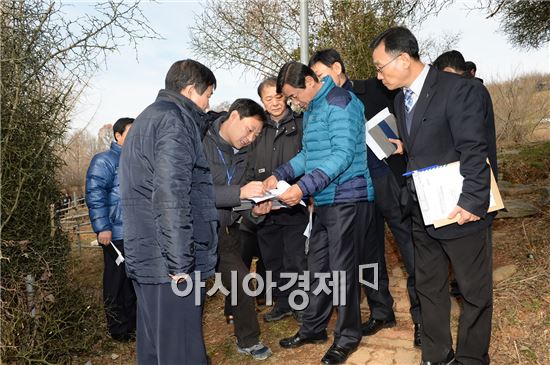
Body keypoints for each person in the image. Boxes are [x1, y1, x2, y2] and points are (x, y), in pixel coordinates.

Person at [370, 27, 493, 365]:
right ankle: (437, 355)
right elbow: (432, 139)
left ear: (404, 58)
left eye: (381, 66)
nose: (378, 75)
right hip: (422, 209)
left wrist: (472, 201)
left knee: (474, 292)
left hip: (459, 208)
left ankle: (471, 358)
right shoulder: (400, 99)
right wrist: (403, 146)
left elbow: (472, 149)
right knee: (428, 286)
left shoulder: (459, 90)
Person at [309, 48, 421, 347]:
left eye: (321, 75)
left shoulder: (372, 88)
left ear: (337, 67)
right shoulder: (323, 106)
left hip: (388, 180)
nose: (320, 82)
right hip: (357, 191)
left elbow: (408, 117)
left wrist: (407, 145)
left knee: (410, 251)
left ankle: (422, 318)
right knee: (368, 258)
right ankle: (381, 310)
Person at [266, 61, 375, 365]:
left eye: (292, 96)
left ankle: (347, 337)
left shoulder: (340, 102)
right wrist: (281, 174)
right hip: (325, 200)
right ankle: (314, 328)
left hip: (348, 198)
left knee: (343, 273)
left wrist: (302, 188)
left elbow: (342, 154)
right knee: (317, 268)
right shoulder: (314, 108)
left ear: (310, 82)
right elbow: (309, 155)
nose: (292, 103)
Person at [119, 59, 217, 365]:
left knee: (155, 349)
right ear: (190, 91)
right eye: (208, 96)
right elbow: (171, 196)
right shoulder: (174, 122)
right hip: (168, 266)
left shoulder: (148, 118)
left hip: (148, 259)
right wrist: (180, 265)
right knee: (182, 353)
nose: (207, 104)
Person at [202, 98, 273, 360]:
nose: (251, 138)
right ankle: (189, 349)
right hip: (194, 231)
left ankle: (249, 340)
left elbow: (240, 196)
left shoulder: (242, 153)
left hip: (224, 232)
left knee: (243, 283)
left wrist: (254, 210)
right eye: (249, 130)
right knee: (191, 294)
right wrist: (238, 192)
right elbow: (192, 191)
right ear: (233, 117)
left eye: (256, 134)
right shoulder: (200, 140)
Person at [247, 77, 308, 323]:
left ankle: (301, 305)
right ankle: (282, 304)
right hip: (265, 205)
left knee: (296, 258)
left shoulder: (302, 124)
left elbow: (308, 157)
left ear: (286, 95)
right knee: (272, 259)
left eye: (278, 97)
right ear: (262, 101)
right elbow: (248, 160)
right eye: (268, 99)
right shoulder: (257, 128)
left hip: (294, 203)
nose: (274, 103)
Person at [85, 117, 136, 342]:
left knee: (132, 282)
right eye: (131, 132)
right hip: (114, 234)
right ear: (118, 135)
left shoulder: (136, 160)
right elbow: (95, 196)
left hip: (135, 233)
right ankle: (118, 329)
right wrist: (102, 228)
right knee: (115, 283)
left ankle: (133, 325)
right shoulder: (104, 160)